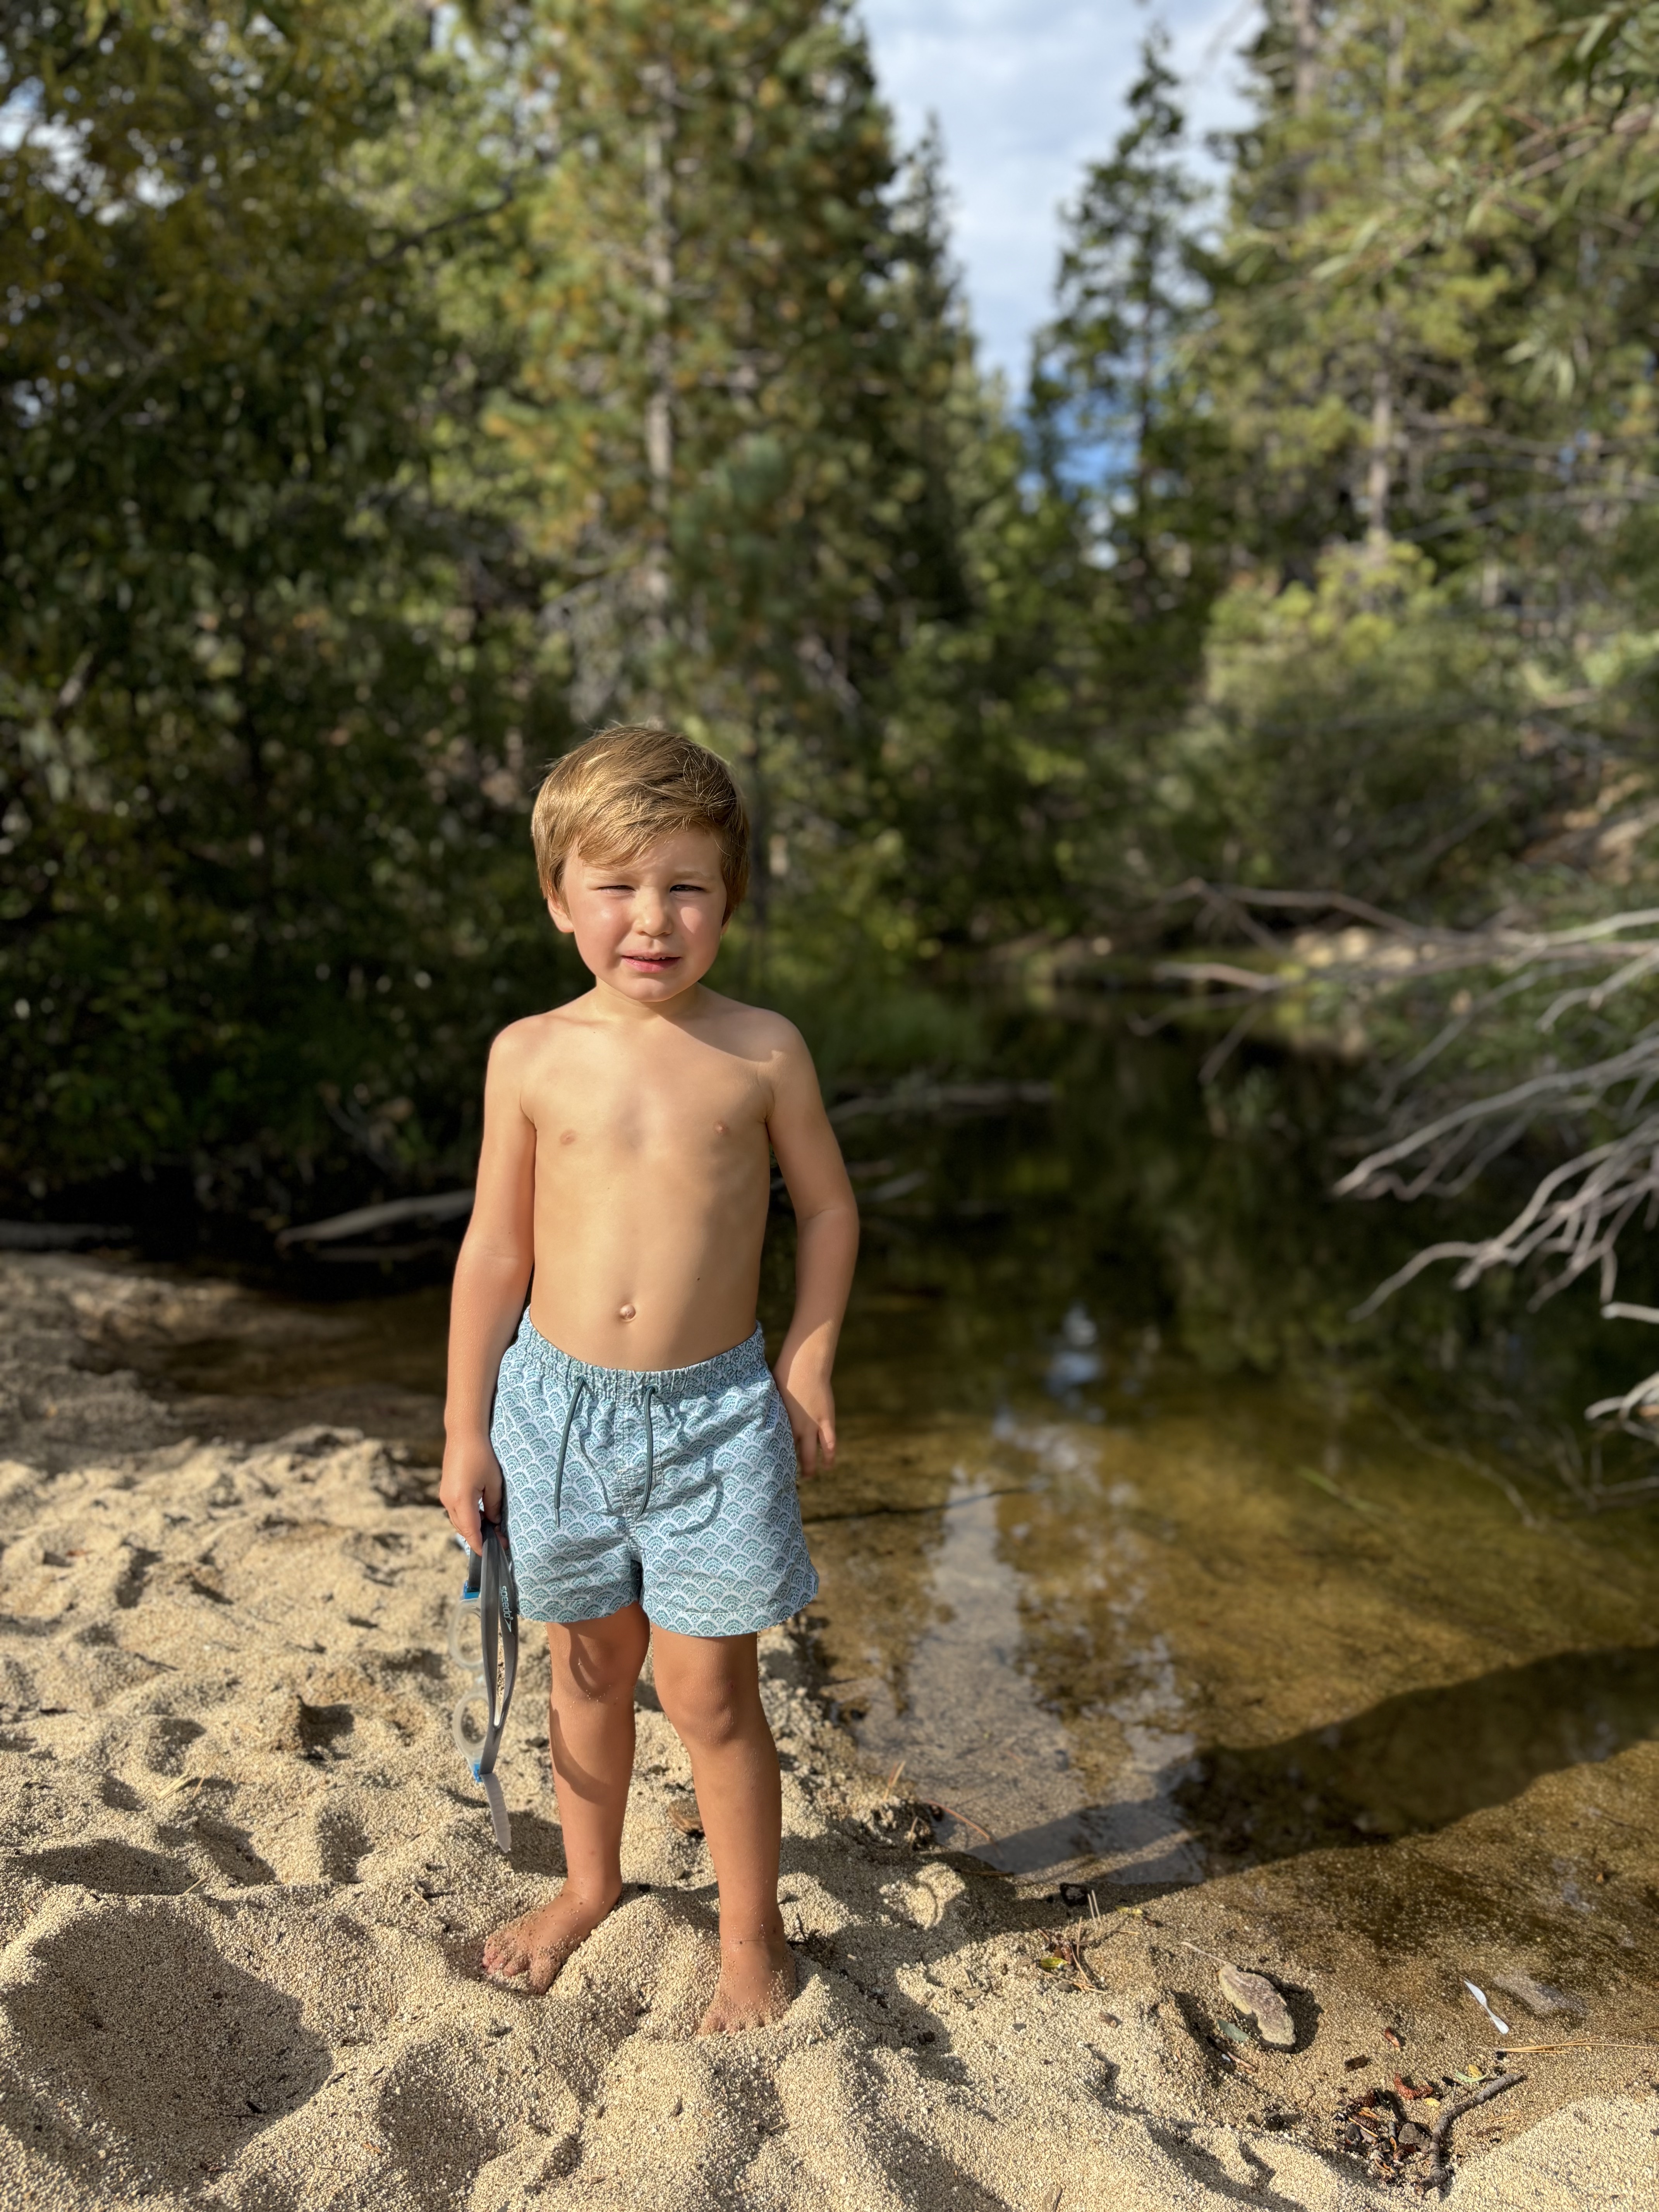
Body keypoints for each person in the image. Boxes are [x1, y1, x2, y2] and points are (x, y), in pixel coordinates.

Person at [440, 723, 859, 2033]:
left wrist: (809, 1359)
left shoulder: (762, 1050)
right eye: (616, 886)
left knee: (709, 1690)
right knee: (587, 1667)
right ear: (560, 898)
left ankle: (749, 1935)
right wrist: (464, 1428)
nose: (652, 919)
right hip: (554, 1414)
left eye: (686, 886)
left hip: (715, 1415)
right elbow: (493, 1251)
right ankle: (586, 1886)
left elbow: (831, 1213)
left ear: (729, 898)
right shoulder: (528, 1053)